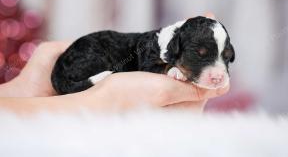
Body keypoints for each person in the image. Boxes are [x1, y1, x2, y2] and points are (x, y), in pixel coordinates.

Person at [0, 13, 229, 114]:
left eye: (225, 57)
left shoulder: (174, 43)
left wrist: (23, 91)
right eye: (201, 55)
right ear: (175, 47)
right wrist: (99, 99)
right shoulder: (156, 49)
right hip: (88, 57)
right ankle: (77, 84)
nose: (219, 71)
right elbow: (150, 68)